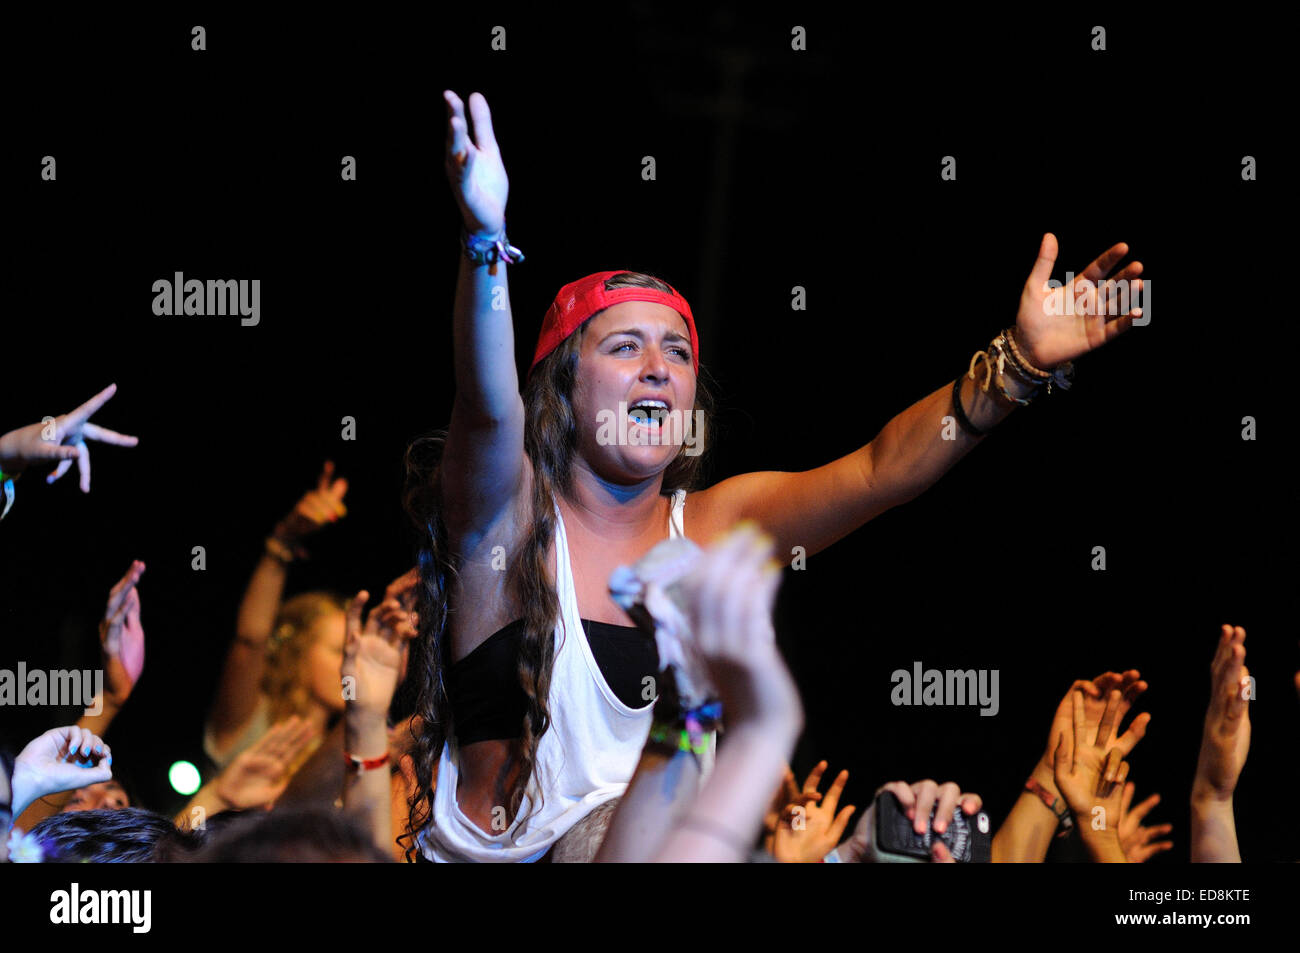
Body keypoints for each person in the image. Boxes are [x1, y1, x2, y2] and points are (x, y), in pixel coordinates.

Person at [406, 88, 1147, 861]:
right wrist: (484, 243)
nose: (658, 369)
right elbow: (487, 404)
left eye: (678, 352)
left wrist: (1015, 367)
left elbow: (882, 471)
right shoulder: (510, 516)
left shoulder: (716, 524)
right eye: (624, 347)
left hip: (676, 852)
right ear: (562, 385)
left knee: (929, 836)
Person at [203, 463, 350, 768]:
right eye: (339, 650)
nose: (352, 663)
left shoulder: (350, 750)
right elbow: (250, 639)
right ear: (297, 650)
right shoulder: (253, 722)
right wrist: (284, 542)